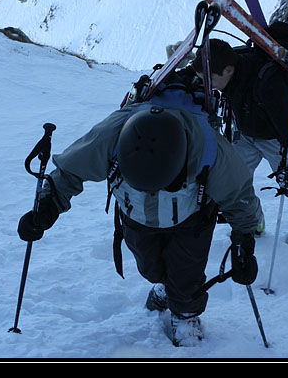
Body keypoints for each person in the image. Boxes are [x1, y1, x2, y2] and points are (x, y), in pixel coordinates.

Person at [17, 76, 262, 347]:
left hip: (191, 219)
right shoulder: (111, 135)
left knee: (186, 275)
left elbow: (239, 196)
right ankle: (164, 285)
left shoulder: (208, 148)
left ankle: (186, 313)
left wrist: (243, 242)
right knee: (150, 268)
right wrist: (47, 207)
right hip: (136, 217)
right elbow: (70, 170)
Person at [190, 23, 288, 248]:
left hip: (275, 139)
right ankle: (253, 222)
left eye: (210, 80)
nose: (208, 86)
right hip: (245, 134)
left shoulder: (268, 84)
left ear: (228, 70)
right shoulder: (225, 66)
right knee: (233, 181)